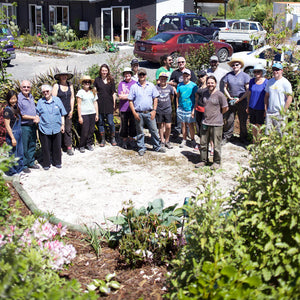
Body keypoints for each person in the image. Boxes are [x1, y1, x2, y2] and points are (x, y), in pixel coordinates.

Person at [128, 68, 166, 156]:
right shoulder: (134, 87)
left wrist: (154, 110)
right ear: (138, 75)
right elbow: (130, 101)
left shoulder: (151, 85)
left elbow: (155, 98)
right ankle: (141, 147)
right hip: (139, 113)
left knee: (154, 130)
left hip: (149, 112)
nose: (142, 76)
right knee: (140, 131)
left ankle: (157, 146)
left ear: (146, 75)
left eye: (143, 74)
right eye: (140, 74)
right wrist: (134, 113)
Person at [196, 76, 228, 170]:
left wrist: (218, 115)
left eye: (212, 83)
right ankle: (203, 160)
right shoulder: (204, 93)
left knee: (216, 145)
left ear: (215, 83)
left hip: (217, 123)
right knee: (203, 143)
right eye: (208, 83)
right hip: (205, 122)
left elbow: (225, 108)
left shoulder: (220, 95)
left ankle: (216, 162)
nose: (210, 84)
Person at [36, 84, 67, 170]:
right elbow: (37, 114)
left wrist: (63, 125)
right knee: (45, 147)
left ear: (50, 92)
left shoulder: (57, 100)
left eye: (47, 91)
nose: (45, 93)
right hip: (44, 128)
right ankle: (46, 163)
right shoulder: (40, 102)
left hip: (56, 127)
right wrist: (37, 119)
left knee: (57, 146)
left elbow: (62, 114)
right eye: (44, 92)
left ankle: (57, 162)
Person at [223, 58, 250, 144]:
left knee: (242, 120)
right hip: (231, 100)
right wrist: (229, 97)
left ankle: (243, 137)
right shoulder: (228, 75)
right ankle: (228, 137)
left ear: (240, 66)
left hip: (242, 100)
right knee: (229, 119)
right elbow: (225, 87)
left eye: (237, 65)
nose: (235, 66)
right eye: (233, 65)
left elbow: (248, 90)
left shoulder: (245, 76)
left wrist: (240, 98)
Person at [169, 57, 197, 138]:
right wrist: (175, 91)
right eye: (179, 62)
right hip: (179, 96)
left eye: (182, 62)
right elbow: (171, 83)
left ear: (185, 62)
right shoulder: (175, 73)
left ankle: (188, 134)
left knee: (188, 119)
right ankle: (178, 132)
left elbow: (194, 84)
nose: (181, 63)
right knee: (180, 117)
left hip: (189, 99)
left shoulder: (190, 72)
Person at [18, 80, 40, 173]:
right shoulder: (19, 99)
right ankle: (24, 164)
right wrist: (34, 117)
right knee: (24, 146)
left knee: (32, 144)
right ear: (20, 88)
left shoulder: (30, 96)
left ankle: (31, 162)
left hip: (32, 124)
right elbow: (21, 115)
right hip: (24, 125)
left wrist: (37, 116)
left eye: (28, 87)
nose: (26, 89)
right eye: (24, 87)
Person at [264, 62, 293, 135]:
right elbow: (266, 95)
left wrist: (284, 111)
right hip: (270, 112)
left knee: (281, 134)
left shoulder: (285, 83)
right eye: (273, 69)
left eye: (277, 69)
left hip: (280, 113)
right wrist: (266, 109)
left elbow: (289, 97)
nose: (275, 71)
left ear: (282, 71)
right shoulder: (269, 82)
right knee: (269, 134)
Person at [52, 69, 75, 155]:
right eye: (62, 75)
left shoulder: (70, 85)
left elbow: (72, 98)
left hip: (68, 110)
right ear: (59, 77)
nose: (64, 77)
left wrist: (72, 110)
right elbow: (53, 99)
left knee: (68, 129)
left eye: (65, 75)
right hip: (58, 112)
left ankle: (68, 146)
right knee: (59, 130)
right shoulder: (56, 86)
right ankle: (58, 147)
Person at [94, 64, 117, 147]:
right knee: (100, 123)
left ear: (108, 71)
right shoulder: (97, 80)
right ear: (100, 71)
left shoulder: (111, 80)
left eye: (105, 70)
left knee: (111, 122)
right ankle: (102, 139)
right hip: (100, 105)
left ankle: (112, 137)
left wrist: (114, 104)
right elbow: (94, 92)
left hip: (109, 104)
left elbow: (113, 93)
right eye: (103, 70)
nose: (104, 72)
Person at [3, 90, 24, 176]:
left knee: (20, 153)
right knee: (13, 154)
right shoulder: (7, 110)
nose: (13, 101)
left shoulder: (16, 108)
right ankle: (13, 172)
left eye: (15, 98)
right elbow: (7, 126)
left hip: (19, 133)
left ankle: (19, 170)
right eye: (11, 99)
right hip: (13, 134)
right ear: (8, 99)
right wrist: (12, 138)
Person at [77, 75, 99, 153]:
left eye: (88, 82)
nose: (87, 83)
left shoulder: (93, 91)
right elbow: (79, 105)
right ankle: (82, 145)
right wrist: (80, 116)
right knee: (85, 131)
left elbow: (95, 103)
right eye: (85, 82)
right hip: (84, 114)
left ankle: (88, 144)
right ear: (83, 83)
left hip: (92, 113)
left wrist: (97, 114)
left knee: (91, 130)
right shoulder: (80, 92)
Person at [176, 69, 198, 148]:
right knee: (183, 124)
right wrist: (177, 106)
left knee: (190, 125)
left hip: (190, 108)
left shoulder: (193, 86)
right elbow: (177, 96)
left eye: (187, 75)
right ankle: (184, 139)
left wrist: (193, 109)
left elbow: (196, 98)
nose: (185, 77)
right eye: (184, 75)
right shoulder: (179, 85)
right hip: (181, 108)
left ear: (190, 76)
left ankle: (192, 140)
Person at [246, 64, 268, 141]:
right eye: (255, 72)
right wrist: (248, 106)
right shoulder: (252, 81)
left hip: (261, 108)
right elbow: (249, 94)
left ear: (262, 72)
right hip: (252, 107)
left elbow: (267, 96)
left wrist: (266, 109)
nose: (256, 73)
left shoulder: (266, 82)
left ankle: (258, 143)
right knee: (253, 126)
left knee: (259, 127)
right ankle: (254, 142)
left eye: (258, 71)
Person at [117, 67, 137, 149]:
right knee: (124, 125)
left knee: (133, 125)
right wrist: (130, 96)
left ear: (131, 74)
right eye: (125, 73)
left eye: (129, 73)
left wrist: (126, 96)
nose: (127, 75)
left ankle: (132, 140)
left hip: (133, 108)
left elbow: (136, 95)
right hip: (123, 108)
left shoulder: (135, 83)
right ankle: (124, 141)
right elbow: (120, 96)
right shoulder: (121, 84)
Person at [155, 72, 175, 149]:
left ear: (167, 79)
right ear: (159, 79)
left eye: (164, 78)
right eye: (161, 78)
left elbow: (171, 97)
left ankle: (167, 140)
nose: (163, 80)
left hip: (167, 109)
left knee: (168, 126)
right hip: (159, 109)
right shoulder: (156, 87)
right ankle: (162, 140)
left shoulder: (170, 88)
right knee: (160, 125)